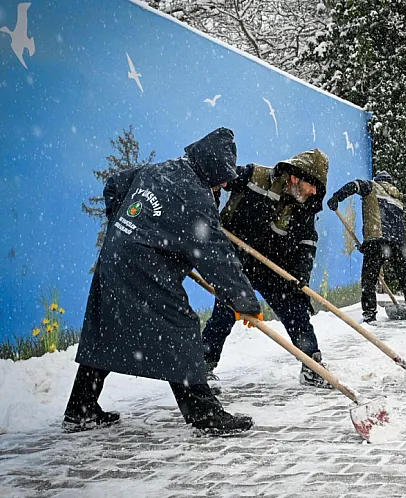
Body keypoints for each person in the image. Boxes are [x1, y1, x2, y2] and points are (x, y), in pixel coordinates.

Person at [64, 127, 263, 436]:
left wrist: (127, 225)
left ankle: (81, 408)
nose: (224, 182)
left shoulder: (161, 169)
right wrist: (245, 301)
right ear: (211, 166)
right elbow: (216, 256)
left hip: (115, 256)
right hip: (144, 268)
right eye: (222, 175)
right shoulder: (195, 195)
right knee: (179, 328)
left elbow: (114, 185)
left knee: (107, 328)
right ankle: (205, 415)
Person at [201, 149, 332, 389]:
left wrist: (300, 277)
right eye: (312, 185)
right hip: (237, 261)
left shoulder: (305, 206)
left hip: (272, 267)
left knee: (295, 311)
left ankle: (312, 366)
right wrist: (211, 208)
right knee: (224, 314)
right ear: (296, 177)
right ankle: (202, 368)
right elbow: (215, 178)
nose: (314, 192)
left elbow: (307, 243)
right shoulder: (254, 177)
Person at [327, 171, 406, 324]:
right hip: (398, 242)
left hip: (377, 240)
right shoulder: (397, 197)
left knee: (369, 280)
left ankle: (370, 314)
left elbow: (354, 185)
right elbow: (392, 225)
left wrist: (337, 197)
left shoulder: (371, 186)